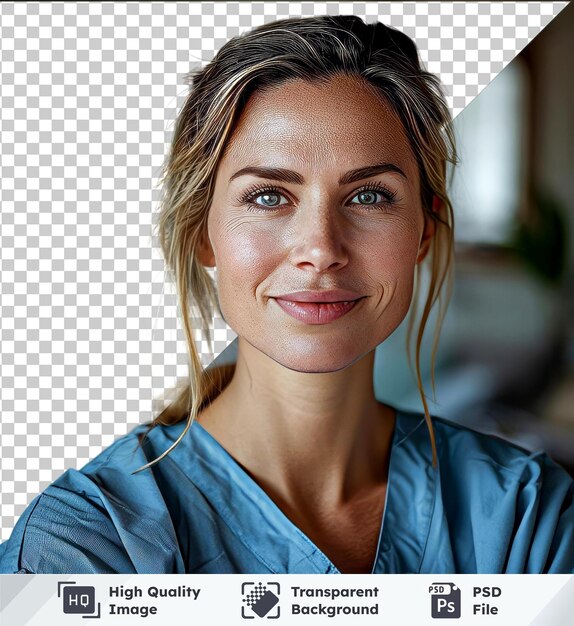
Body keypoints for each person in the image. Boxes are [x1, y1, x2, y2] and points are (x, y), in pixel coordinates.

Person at [1, 14, 573, 575]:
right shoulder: (85, 544)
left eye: (370, 196)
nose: (320, 249)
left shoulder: (527, 517)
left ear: (424, 230)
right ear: (204, 232)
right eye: (270, 196)